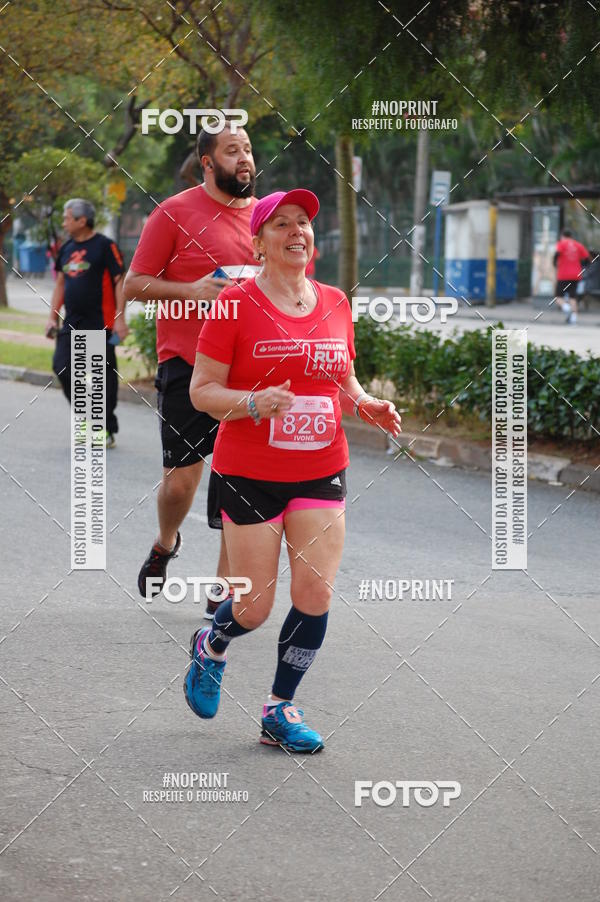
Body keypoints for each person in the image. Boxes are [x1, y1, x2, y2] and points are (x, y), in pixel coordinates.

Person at [186, 189, 402, 753]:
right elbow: (202, 391)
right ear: (258, 243)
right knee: (254, 606)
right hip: (250, 470)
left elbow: (341, 375)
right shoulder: (232, 304)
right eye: (280, 224)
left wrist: (365, 402)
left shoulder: (334, 300)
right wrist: (255, 403)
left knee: (314, 594)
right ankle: (211, 644)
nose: (295, 231)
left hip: (321, 468)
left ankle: (279, 708)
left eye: (303, 221)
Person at [123, 123, 259, 615]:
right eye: (231, 150)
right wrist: (191, 291)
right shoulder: (174, 212)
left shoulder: (267, 218)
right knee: (181, 482)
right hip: (187, 364)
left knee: (239, 480)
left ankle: (220, 598)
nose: (244, 158)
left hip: (250, 372)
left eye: (247, 149)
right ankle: (165, 542)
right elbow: (134, 284)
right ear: (207, 162)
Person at [45, 199, 128, 447]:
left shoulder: (105, 246)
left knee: (103, 376)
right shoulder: (67, 248)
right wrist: (52, 316)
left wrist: (120, 318)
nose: (64, 222)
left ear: (82, 220)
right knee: (62, 366)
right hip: (72, 322)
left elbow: (119, 281)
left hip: (100, 322)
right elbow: (60, 283)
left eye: (67, 217)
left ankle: (105, 428)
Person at [554, 228, 590, 325]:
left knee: (558, 297)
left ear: (562, 236)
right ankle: (573, 318)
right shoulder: (578, 245)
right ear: (571, 236)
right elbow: (587, 259)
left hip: (563, 275)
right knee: (573, 297)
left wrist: (555, 265)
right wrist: (581, 266)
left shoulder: (561, 244)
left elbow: (556, 255)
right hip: (576, 275)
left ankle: (567, 308)